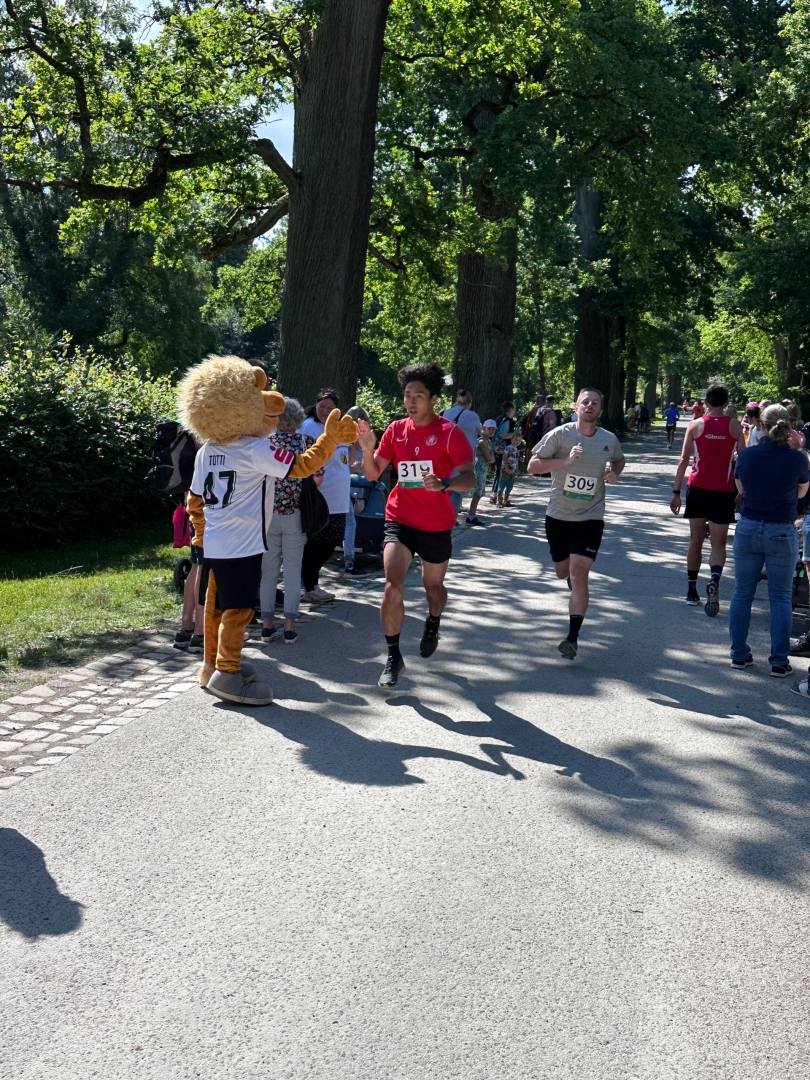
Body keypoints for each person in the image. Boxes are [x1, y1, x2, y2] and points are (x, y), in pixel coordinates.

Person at [356, 362, 475, 688]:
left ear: (434, 399)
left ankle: (433, 621)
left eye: (418, 396)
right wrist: (367, 449)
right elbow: (372, 473)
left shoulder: (449, 433)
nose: (411, 401)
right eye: (407, 395)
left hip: (435, 524)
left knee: (433, 589)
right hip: (400, 518)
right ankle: (393, 656)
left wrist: (445, 483)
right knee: (392, 586)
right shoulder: (396, 430)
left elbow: (469, 478)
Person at [528, 387, 626, 660]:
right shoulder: (560, 434)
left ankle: (572, 638)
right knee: (563, 572)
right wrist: (566, 460)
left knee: (579, 573)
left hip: (590, 516)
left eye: (595, 403)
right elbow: (532, 466)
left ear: (601, 410)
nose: (589, 406)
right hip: (558, 516)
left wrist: (614, 473)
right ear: (576, 406)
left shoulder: (608, 439)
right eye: (585, 402)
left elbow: (619, 460)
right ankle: (570, 579)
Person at [729, 404, 809, 677]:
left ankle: (739, 655)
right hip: (781, 530)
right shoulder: (797, 459)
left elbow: (741, 489)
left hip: (748, 526)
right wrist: (801, 451)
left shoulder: (746, 456)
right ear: (789, 426)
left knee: (742, 593)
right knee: (781, 597)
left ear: (760, 426)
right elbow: (801, 493)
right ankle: (778, 661)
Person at [670, 383, 745, 616]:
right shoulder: (735, 426)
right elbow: (743, 462)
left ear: (706, 403)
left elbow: (684, 460)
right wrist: (742, 491)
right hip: (723, 491)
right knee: (719, 544)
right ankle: (714, 579)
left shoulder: (695, 425)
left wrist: (676, 492)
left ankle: (692, 590)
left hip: (697, 489)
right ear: (726, 403)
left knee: (696, 540)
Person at [259, 397, 313, 645]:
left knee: (268, 573)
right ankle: (289, 627)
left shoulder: (265, 444)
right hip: (295, 515)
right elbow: (318, 478)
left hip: (268, 515)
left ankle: (267, 626)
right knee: (292, 572)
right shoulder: (305, 443)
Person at [299, 388, 354, 603]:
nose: (325, 410)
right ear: (315, 405)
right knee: (317, 542)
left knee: (333, 539)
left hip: (339, 496)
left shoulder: (337, 426)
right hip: (321, 496)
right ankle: (310, 585)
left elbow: (347, 454)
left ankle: (311, 582)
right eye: (322, 406)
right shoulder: (309, 428)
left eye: (330, 408)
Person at [443, 389, 482, 518]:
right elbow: (481, 431)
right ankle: (452, 518)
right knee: (458, 488)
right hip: (463, 456)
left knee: (446, 484)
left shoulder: (446, 412)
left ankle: (444, 515)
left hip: (446, 454)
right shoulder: (472, 415)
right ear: (469, 403)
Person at [342, 404, 370, 575]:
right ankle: (349, 561)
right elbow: (344, 468)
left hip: (357, 490)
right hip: (347, 488)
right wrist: (357, 467)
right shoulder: (347, 445)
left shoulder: (360, 444)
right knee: (350, 523)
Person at [466, 419, 496, 525]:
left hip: (483, 470)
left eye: (493, 429)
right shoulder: (482, 441)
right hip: (478, 470)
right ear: (483, 428)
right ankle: (471, 515)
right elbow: (489, 458)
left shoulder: (488, 441)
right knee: (477, 493)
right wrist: (491, 458)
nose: (491, 431)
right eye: (489, 429)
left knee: (479, 493)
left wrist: (491, 458)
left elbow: (492, 459)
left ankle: (472, 514)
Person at [490, 401, 516, 498]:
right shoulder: (507, 420)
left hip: (495, 447)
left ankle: (494, 494)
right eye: (514, 410)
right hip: (502, 449)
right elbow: (503, 435)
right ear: (510, 410)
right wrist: (514, 434)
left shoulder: (499, 418)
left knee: (497, 471)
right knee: (502, 471)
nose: (514, 412)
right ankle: (498, 496)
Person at [497, 433, 523, 507]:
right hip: (505, 471)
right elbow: (504, 458)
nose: (517, 441)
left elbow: (516, 461)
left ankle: (505, 501)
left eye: (519, 440)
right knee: (502, 486)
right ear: (512, 439)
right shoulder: (508, 448)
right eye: (515, 439)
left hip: (512, 471)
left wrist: (517, 470)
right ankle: (499, 501)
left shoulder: (517, 450)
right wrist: (506, 468)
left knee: (509, 486)